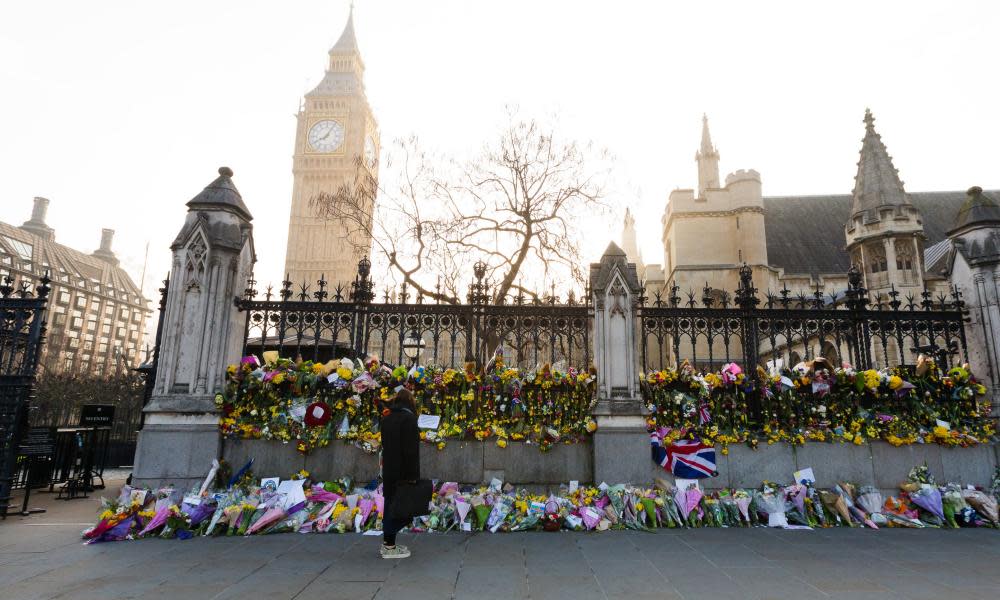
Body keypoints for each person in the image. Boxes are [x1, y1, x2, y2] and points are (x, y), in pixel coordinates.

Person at [379, 387, 420, 559]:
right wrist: (413, 476)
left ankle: (389, 543)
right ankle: (389, 547)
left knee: (390, 505)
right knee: (400, 508)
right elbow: (411, 451)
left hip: (389, 468)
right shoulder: (409, 419)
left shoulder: (387, 418)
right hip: (403, 470)